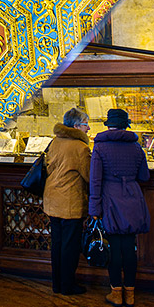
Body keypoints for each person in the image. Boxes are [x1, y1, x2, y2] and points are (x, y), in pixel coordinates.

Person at [89, 108, 150, 307]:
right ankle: (130, 293)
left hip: (110, 199)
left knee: (114, 248)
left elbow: (95, 181)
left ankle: (116, 292)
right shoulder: (136, 147)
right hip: (132, 197)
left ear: (109, 124)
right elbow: (145, 176)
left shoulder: (100, 147)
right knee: (129, 248)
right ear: (126, 125)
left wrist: (94, 210)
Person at [43, 107, 91, 295]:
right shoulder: (81, 148)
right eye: (86, 124)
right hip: (70, 202)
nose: (88, 128)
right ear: (77, 126)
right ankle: (68, 285)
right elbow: (88, 175)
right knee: (70, 247)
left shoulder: (55, 142)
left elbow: (48, 167)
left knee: (57, 244)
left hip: (52, 200)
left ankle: (57, 284)